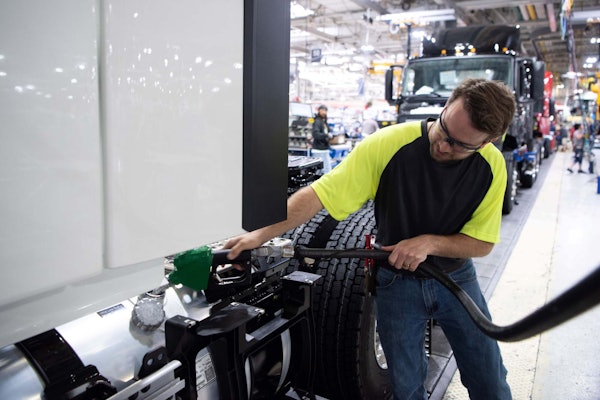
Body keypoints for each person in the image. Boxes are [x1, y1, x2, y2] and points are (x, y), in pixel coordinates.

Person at [225, 78, 515, 400]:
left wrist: (429, 243)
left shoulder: (491, 166)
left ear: (488, 141)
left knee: (490, 380)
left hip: (456, 279)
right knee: (406, 388)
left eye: (461, 145)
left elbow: (482, 243)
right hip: (397, 284)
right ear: (446, 107)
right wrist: (258, 235)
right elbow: (319, 194)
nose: (445, 146)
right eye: (444, 131)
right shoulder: (389, 144)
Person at [310, 104, 333, 173]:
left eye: (325, 110)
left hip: (324, 149)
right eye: (322, 110)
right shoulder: (317, 121)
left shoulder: (324, 122)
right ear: (319, 111)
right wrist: (326, 135)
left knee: (326, 170)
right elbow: (315, 134)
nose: (324, 112)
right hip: (318, 150)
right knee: (321, 171)